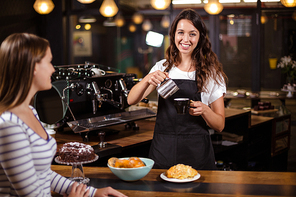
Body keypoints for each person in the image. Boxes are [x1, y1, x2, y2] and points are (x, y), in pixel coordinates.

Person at [0, 33, 127, 197]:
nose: (53, 69)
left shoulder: (29, 111)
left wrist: (92, 193)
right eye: (49, 61)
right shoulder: (10, 126)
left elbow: (44, 175)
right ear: (33, 67)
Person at [127, 8, 227, 170]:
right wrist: (147, 79)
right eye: (181, 32)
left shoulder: (211, 74)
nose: (185, 39)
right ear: (173, 35)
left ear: (200, 37)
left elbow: (220, 125)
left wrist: (205, 111)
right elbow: (131, 100)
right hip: (163, 150)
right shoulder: (162, 67)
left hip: (197, 153)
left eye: (192, 34)